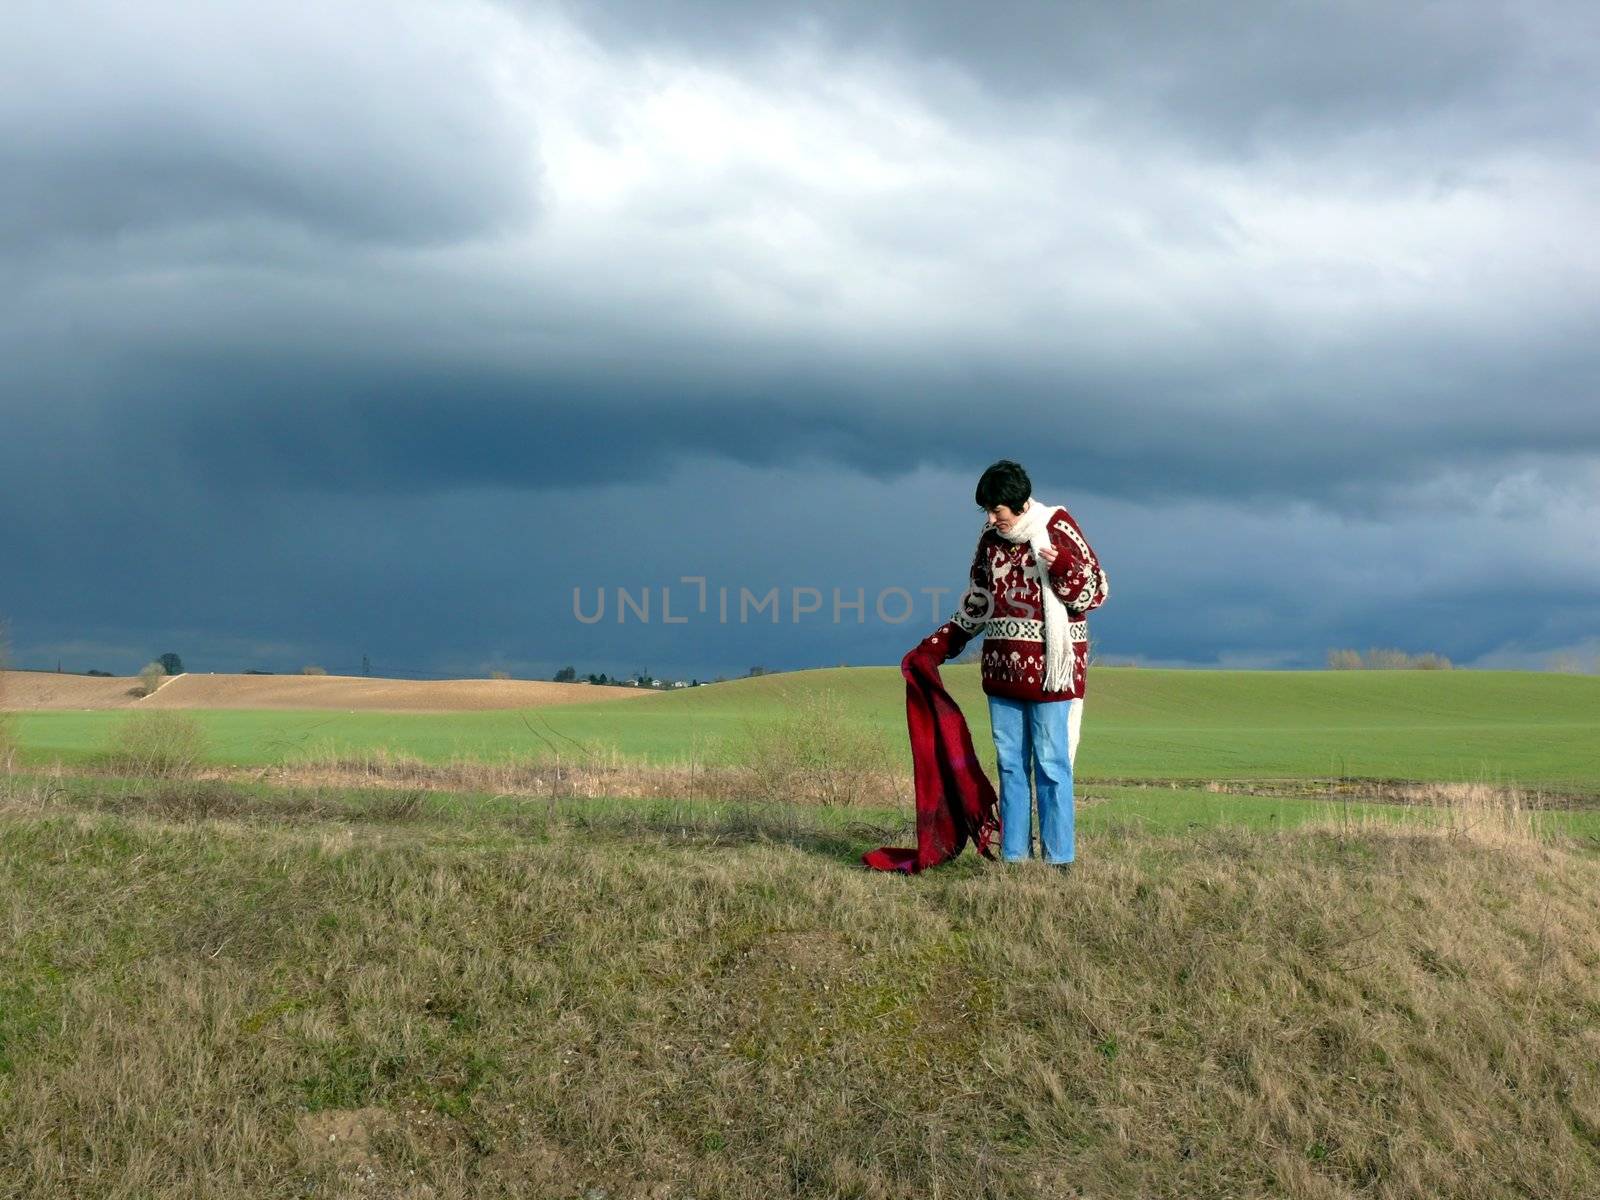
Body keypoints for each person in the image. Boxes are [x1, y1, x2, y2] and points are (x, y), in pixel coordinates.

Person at [911, 460, 1108, 869]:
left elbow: (1095, 592)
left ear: (1018, 503)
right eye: (986, 510)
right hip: (1002, 674)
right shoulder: (989, 539)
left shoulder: (1058, 525)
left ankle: (1060, 860)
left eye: (996, 509)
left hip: (1052, 675)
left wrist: (1062, 568)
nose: (990, 518)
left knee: (1052, 765)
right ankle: (1014, 856)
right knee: (1010, 766)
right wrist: (937, 646)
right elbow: (978, 602)